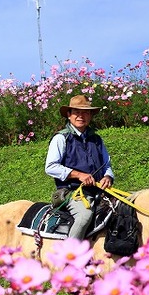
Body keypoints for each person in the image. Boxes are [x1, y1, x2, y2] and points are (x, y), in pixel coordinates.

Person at [45, 95, 114, 239]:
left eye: (85, 112)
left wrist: (108, 176)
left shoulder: (97, 139)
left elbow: (106, 164)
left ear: (90, 116)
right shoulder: (61, 138)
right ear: (69, 115)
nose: (81, 116)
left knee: (125, 209)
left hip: (99, 191)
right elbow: (50, 167)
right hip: (73, 192)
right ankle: (71, 256)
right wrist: (78, 175)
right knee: (84, 216)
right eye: (77, 112)